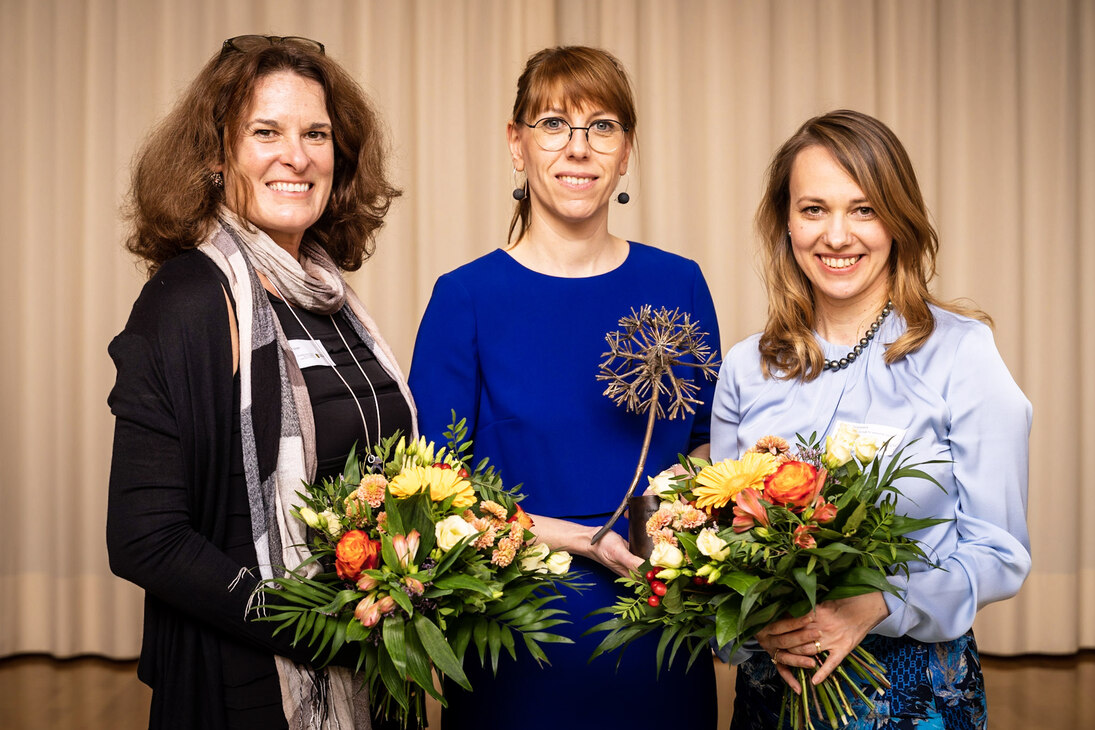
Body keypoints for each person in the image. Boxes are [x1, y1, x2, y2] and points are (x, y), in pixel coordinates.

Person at [106, 35, 413, 730]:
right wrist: (318, 628)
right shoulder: (188, 300)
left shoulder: (329, 296)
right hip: (245, 690)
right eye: (265, 132)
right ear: (216, 156)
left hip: (374, 674)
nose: (297, 156)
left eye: (316, 134)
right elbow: (143, 537)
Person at [409, 46, 719, 729]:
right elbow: (436, 493)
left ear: (626, 151)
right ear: (516, 145)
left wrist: (672, 530)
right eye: (553, 124)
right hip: (518, 636)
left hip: (657, 626)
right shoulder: (464, 298)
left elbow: (706, 451)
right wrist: (582, 539)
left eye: (601, 126)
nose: (578, 149)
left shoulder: (679, 284)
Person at [711, 109, 1031, 729]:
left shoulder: (962, 354)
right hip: (772, 695)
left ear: (898, 220)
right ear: (785, 223)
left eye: (863, 209)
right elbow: (722, 542)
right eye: (813, 210)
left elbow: (998, 549)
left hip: (912, 695)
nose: (836, 236)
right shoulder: (747, 366)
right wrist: (752, 630)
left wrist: (879, 604)